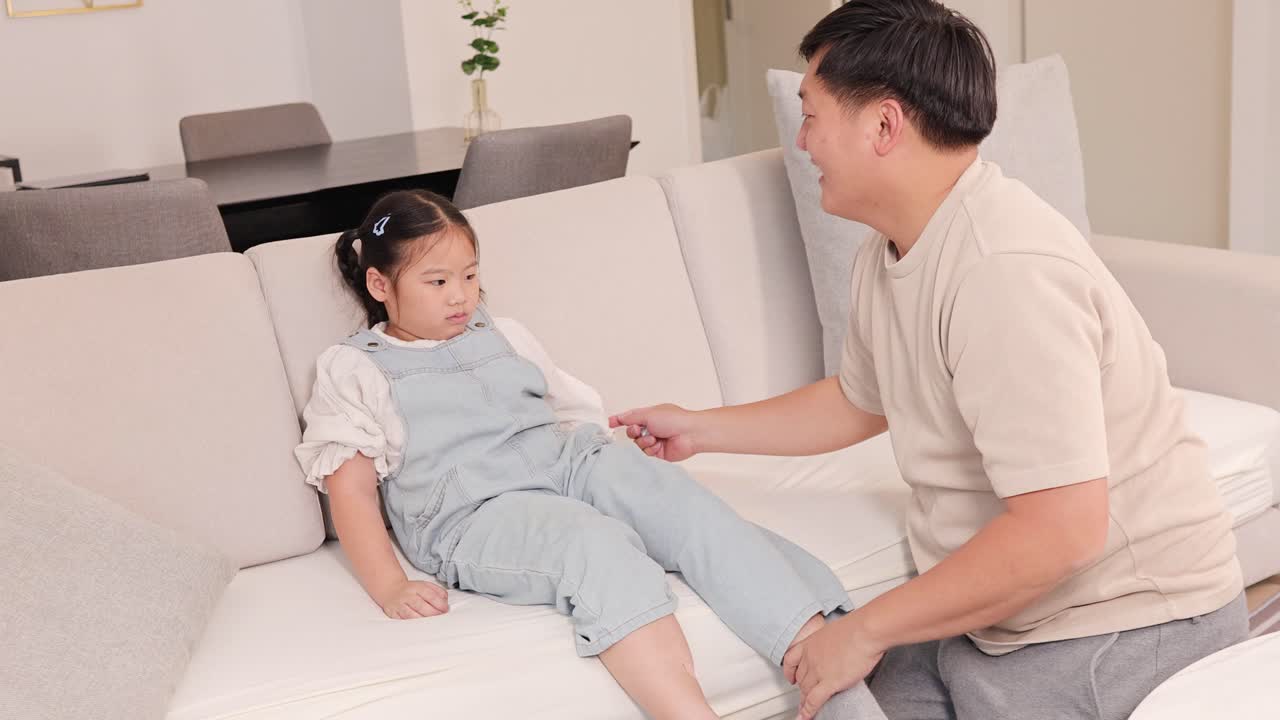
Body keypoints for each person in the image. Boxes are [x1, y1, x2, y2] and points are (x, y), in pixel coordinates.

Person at [609, 2, 1246, 718]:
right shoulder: (889, 250)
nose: (804, 141)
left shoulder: (1002, 271)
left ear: (884, 125)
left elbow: (1063, 530)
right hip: (994, 623)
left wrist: (865, 631)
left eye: (812, 116)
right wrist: (700, 428)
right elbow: (859, 399)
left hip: (1121, 627)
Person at [293, 189, 863, 720]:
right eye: (437, 281)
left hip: (560, 462)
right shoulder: (356, 368)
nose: (461, 295)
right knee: (590, 541)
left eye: (469, 275)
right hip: (477, 512)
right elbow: (351, 492)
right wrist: (390, 584)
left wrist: (618, 477)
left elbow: (568, 410)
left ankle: (814, 645)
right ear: (379, 285)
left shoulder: (504, 333)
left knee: (669, 497)